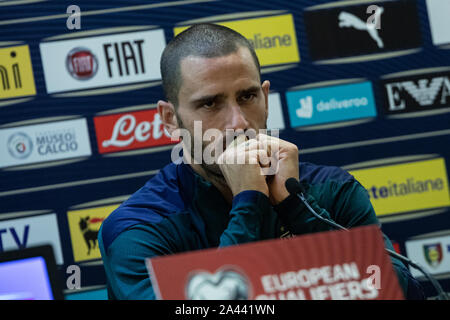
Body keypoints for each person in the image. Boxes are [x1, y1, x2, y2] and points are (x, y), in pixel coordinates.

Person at [98, 23, 424, 300]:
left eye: (247, 96)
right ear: (170, 119)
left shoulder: (331, 189)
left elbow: (400, 290)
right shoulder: (138, 229)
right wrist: (249, 203)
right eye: (210, 103)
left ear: (265, 98)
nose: (238, 123)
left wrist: (296, 206)